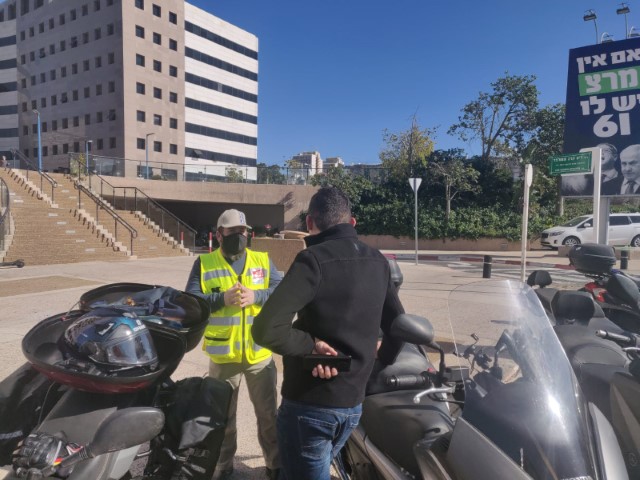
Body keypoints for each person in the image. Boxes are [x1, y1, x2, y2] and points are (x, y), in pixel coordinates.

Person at [252, 187, 405, 480]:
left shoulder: (312, 260)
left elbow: (266, 329)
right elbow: (398, 327)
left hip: (309, 405)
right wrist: (375, 366)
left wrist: (310, 345)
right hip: (354, 404)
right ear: (352, 222)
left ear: (310, 222)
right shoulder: (379, 261)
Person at [185, 209, 281, 480]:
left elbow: (280, 290)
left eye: (243, 231)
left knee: (268, 416)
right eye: (233, 231)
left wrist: (257, 296)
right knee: (222, 420)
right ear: (219, 235)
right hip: (223, 357)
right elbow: (191, 302)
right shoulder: (204, 264)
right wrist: (221, 300)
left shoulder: (262, 260)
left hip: (259, 355)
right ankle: (223, 467)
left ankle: (274, 466)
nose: (239, 235)